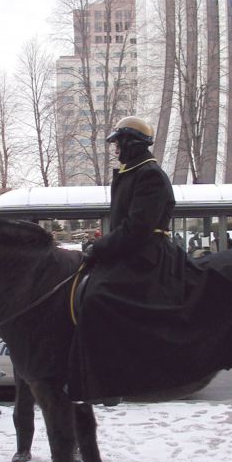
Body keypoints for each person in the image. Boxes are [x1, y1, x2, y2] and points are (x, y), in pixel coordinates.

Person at [68, 116, 189, 402]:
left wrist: (100, 248)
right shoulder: (131, 171)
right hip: (131, 248)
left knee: (98, 297)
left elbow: (137, 229)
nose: (115, 149)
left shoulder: (149, 175)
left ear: (131, 143)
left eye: (118, 143)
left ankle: (110, 377)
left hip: (147, 253)